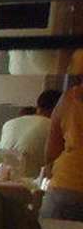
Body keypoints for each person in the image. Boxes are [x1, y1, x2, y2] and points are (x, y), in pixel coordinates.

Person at [43, 84, 83, 221]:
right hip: (67, 185)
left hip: (66, 183)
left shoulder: (69, 98)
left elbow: (52, 151)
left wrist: (49, 174)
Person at [0, 89, 59, 177]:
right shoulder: (52, 126)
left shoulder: (8, 124)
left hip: (0, 179)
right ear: (59, 109)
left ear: (38, 106)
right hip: (32, 182)